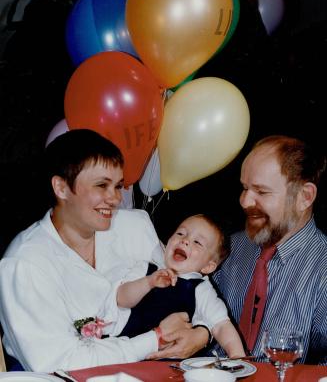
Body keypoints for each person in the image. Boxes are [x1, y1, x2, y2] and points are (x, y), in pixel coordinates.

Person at [0, 129, 209, 372]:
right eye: (102, 185)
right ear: (61, 188)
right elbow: (59, 363)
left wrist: (203, 332)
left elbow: (186, 282)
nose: (115, 198)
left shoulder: (135, 226)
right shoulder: (24, 263)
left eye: (118, 186)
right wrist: (155, 338)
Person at [212, 134, 327, 365]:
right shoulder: (230, 248)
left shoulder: (323, 269)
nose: (245, 201)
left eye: (261, 192)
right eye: (244, 188)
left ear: (305, 197)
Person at [116, 214, 246, 359]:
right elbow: (121, 299)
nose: (185, 241)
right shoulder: (146, 269)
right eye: (180, 233)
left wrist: (237, 356)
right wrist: (148, 282)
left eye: (197, 242)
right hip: (128, 353)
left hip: (169, 366)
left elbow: (221, 325)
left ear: (208, 267)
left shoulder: (201, 289)